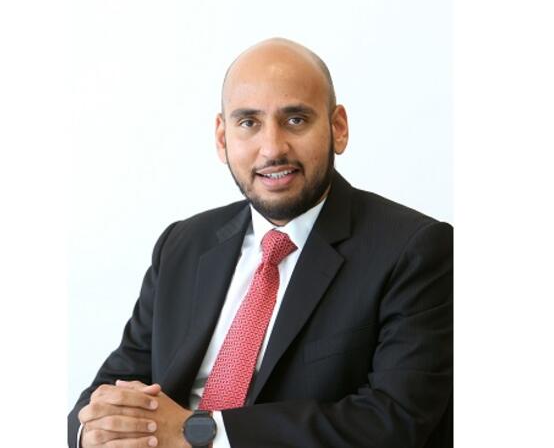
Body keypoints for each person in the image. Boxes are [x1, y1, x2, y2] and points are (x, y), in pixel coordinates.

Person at [68, 37, 453, 448]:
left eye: (296, 120)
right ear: (222, 138)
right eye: (249, 123)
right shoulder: (183, 245)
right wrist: (93, 431)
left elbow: (394, 419)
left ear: (338, 128)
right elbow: (113, 385)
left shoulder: (414, 250)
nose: (272, 148)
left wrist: (197, 432)